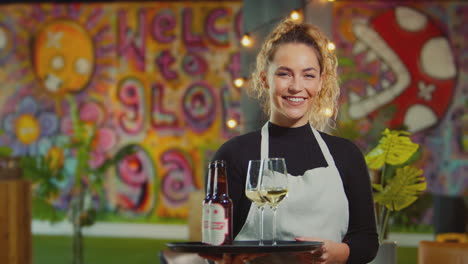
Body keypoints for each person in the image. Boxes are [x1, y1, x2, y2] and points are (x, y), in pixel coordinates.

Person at [209, 17, 379, 264]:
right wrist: (224, 259)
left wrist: (337, 253)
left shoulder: (346, 156)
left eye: (308, 75)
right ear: (265, 79)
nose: (296, 87)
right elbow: (214, 244)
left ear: (321, 82)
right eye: (284, 74)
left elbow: (366, 240)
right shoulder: (233, 155)